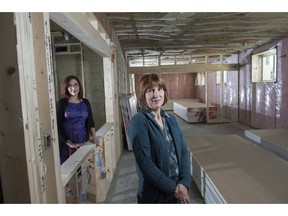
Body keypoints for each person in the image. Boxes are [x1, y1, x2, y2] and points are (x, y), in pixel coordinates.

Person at [128, 73, 191, 203]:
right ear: (143, 95)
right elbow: (146, 164)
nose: (156, 95)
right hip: (155, 196)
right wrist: (174, 189)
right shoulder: (139, 122)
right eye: (150, 91)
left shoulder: (171, 119)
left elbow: (184, 151)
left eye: (159, 89)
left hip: (177, 190)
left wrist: (184, 182)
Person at [56, 75, 98, 164]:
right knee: (68, 169)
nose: (73, 88)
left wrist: (94, 137)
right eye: (70, 85)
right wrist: (71, 143)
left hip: (83, 141)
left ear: (79, 86)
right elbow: (58, 127)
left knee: (84, 169)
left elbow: (90, 122)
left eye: (75, 84)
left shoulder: (86, 102)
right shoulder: (62, 103)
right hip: (67, 143)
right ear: (66, 88)